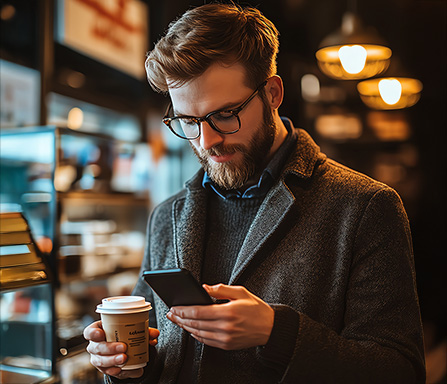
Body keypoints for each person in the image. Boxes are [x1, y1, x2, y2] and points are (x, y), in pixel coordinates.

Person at [84, 3, 425, 383]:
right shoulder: (168, 216)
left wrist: (276, 333)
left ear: (273, 93)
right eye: (188, 121)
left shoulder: (364, 207)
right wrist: (122, 364)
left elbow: (400, 370)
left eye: (225, 114)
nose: (207, 140)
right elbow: (156, 352)